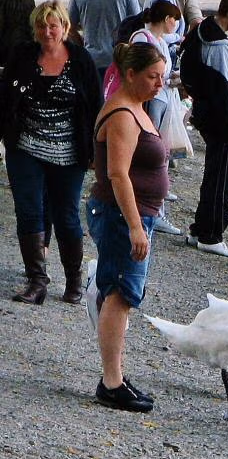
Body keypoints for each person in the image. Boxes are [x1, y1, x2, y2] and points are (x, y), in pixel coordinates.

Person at [0, 0, 100, 306]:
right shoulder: (23, 56)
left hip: (68, 152)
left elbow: (96, 106)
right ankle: (37, 280)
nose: (47, 31)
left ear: (65, 28)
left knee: (66, 214)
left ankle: (73, 280)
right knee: (28, 210)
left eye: (53, 25)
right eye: (42, 25)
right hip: (25, 147)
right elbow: (5, 97)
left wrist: (98, 151)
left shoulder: (81, 60)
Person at [87, 42, 169, 413]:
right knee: (120, 293)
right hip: (122, 215)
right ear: (130, 74)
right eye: (152, 77)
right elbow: (117, 173)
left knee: (122, 293)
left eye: (162, 77)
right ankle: (111, 381)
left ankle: (115, 375)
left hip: (136, 213)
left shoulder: (137, 106)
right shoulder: (122, 113)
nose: (159, 84)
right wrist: (135, 226)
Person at [180, 0, 228, 258]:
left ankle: (200, 229)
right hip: (222, 125)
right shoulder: (220, 46)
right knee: (223, 180)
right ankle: (212, 234)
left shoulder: (202, 31)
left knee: (212, 175)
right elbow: (224, 93)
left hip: (206, 116)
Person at [128, 1, 185, 237]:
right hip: (153, 100)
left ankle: (156, 198)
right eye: (174, 18)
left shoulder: (161, 40)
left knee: (159, 147)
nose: (177, 24)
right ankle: (152, 205)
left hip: (162, 97)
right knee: (152, 146)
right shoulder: (144, 38)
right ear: (166, 18)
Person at [67, 0, 140, 80]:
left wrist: (81, 42)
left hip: (92, 58)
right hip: (120, 58)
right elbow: (137, 22)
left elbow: (68, 27)